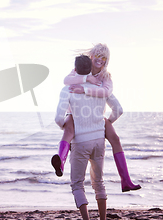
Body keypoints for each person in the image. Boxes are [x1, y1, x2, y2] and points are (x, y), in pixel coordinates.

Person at [51, 43, 140, 192]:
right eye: (97, 56)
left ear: (107, 60)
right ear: (91, 57)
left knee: (116, 139)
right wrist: (86, 78)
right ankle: (61, 162)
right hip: (77, 113)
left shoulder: (106, 77)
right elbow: (66, 81)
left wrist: (106, 122)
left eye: (103, 57)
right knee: (68, 131)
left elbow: (106, 93)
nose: (100, 60)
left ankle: (126, 180)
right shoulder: (80, 71)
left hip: (97, 116)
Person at [55, 55, 121, 220]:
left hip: (80, 142)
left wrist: (67, 126)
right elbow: (119, 110)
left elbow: (57, 118)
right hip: (99, 140)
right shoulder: (100, 87)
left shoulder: (68, 89)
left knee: (77, 183)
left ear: (75, 70)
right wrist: (106, 122)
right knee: (98, 181)